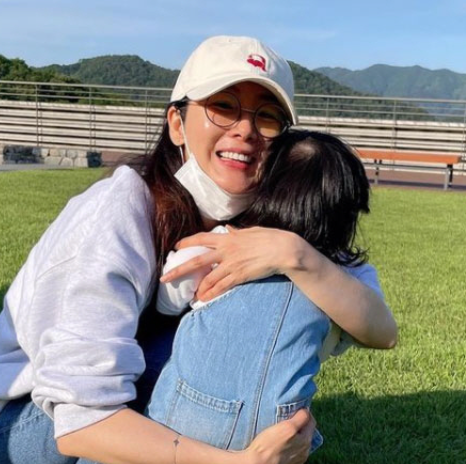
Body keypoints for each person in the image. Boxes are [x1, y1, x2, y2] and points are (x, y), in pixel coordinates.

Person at [0, 36, 397, 464]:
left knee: (290, 288)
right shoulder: (120, 210)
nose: (245, 130)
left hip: (121, 390)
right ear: (177, 123)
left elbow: (382, 332)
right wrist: (236, 462)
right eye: (223, 107)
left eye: (267, 117)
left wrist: (296, 255)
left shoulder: (271, 225)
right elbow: (79, 420)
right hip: (29, 419)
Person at [149, 129, 378, 454]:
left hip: (186, 414)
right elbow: (356, 336)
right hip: (279, 428)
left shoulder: (226, 241)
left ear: (265, 190)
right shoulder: (349, 274)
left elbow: (169, 299)